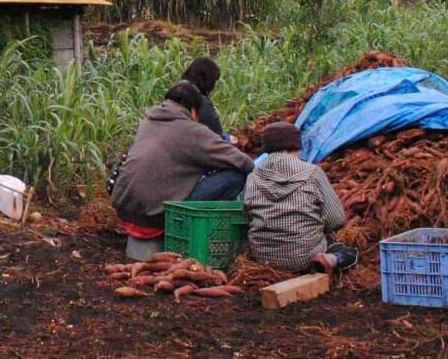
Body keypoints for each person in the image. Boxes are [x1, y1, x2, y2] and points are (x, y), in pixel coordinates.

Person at [110, 81, 254, 233]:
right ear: (193, 110)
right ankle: (196, 232)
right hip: (155, 218)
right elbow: (244, 162)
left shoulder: (147, 123)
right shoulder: (193, 131)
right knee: (235, 176)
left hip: (124, 211)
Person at [242, 122, 357, 274]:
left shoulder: (252, 177)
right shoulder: (313, 173)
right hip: (305, 257)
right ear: (295, 146)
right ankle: (329, 260)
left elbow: (248, 217)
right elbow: (336, 220)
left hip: (264, 259)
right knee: (348, 253)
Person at [181, 55, 225, 135]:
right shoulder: (200, 101)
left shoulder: (174, 92)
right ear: (208, 80)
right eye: (214, 80)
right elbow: (216, 133)